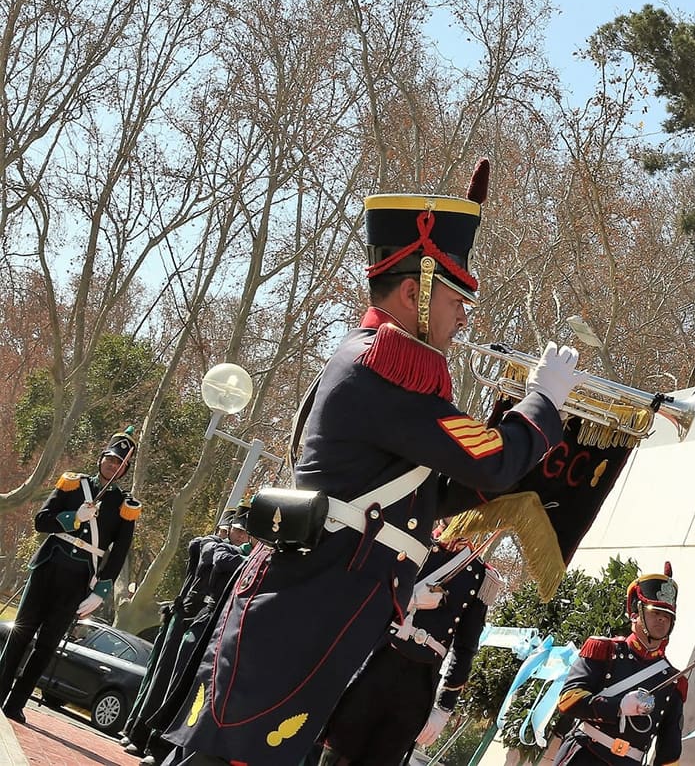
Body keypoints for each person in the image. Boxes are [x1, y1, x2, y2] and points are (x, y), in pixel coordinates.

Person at [160, 159, 581, 766]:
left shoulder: (390, 370)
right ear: (415, 291)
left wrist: (520, 438)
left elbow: (438, 490)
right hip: (307, 609)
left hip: (328, 611)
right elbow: (488, 462)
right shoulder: (386, 363)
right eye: (457, 298)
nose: (464, 316)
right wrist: (542, 405)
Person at [312, 521, 498, 765]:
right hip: (377, 664)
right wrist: (408, 601)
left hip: (418, 687)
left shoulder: (480, 575)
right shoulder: (412, 544)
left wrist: (444, 708)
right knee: (338, 752)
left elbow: (465, 649)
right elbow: (364, 600)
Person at [0, 430, 141, 724]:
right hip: (48, 568)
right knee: (20, 634)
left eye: (120, 464)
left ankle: (16, 702)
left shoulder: (125, 506)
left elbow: (118, 553)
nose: (113, 466)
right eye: (111, 459)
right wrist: (73, 518)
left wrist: (101, 591)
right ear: (102, 458)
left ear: (125, 470)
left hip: (79, 580)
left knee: (47, 645)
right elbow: (41, 521)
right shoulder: (73, 484)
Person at [132, 506, 256, 766]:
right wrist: (246, 558)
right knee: (170, 681)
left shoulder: (251, 556)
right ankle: (150, 741)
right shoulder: (214, 544)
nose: (241, 537)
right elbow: (218, 557)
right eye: (237, 530)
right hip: (196, 618)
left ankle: (168, 750)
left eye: (246, 533)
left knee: (197, 695)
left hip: (221, 628)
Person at [551, 564, 687, 766]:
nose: (661, 619)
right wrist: (618, 707)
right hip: (585, 754)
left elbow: (670, 749)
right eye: (654, 611)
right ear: (635, 614)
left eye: (667, 616)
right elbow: (568, 700)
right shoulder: (604, 650)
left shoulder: (674, 681)